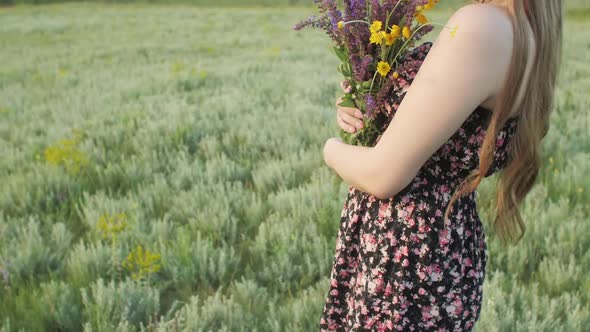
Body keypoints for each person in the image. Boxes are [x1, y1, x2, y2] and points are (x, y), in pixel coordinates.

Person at [320, 0, 563, 330]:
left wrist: (331, 149)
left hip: (403, 264)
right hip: (445, 248)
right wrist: (370, 103)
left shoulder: (481, 26)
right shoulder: (525, 29)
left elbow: (383, 174)